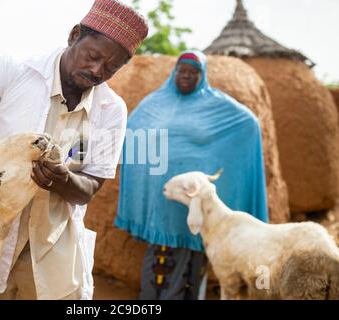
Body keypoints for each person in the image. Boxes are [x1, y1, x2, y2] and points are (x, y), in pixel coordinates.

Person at [0, 0, 148, 300]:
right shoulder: (11, 72)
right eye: (93, 56)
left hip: (53, 255)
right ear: (74, 36)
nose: (97, 70)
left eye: (111, 67)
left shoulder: (111, 110)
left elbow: (91, 187)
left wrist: (63, 181)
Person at [115, 50, 268, 300]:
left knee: (192, 258)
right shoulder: (156, 102)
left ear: (202, 76)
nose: (185, 76)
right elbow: (134, 129)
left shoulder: (216, 105)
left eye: (193, 73)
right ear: (174, 73)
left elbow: (248, 124)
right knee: (160, 256)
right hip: (163, 198)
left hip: (193, 202)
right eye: (181, 71)